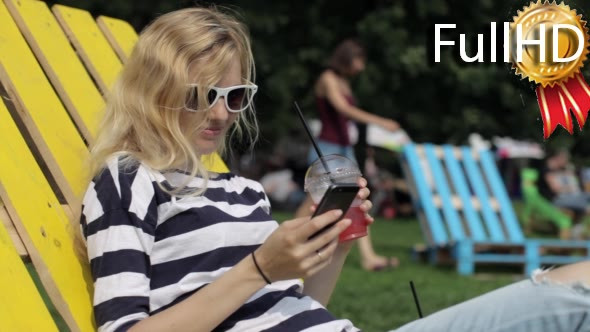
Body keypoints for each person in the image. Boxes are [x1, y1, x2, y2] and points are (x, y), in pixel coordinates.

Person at [80, 7, 590, 332]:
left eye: (234, 96)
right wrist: (257, 268)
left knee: (581, 284)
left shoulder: (242, 191)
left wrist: (337, 243)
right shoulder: (127, 183)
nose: (220, 114)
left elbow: (299, 305)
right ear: (155, 91)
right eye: (200, 96)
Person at [296, 39, 401, 271]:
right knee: (316, 200)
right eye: (359, 60)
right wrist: (381, 122)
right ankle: (281, 244)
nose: (361, 67)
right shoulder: (328, 79)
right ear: (346, 57)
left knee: (356, 198)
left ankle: (368, 257)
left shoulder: (343, 82)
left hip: (343, 149)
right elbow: (344, 110)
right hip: (327, 148)